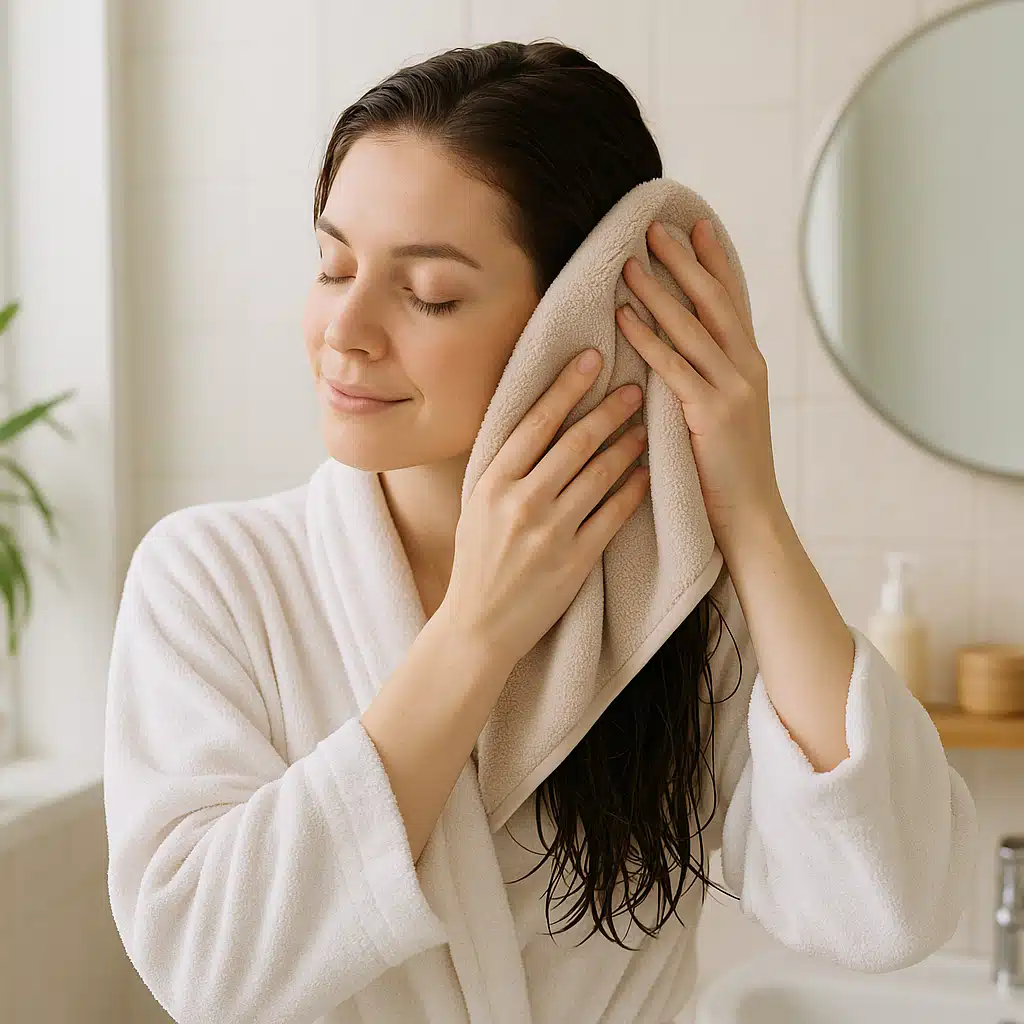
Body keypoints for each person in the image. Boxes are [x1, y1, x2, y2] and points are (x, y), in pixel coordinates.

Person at [104, 39, 977, 1024]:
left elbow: (890, 906)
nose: (344, 328)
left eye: (428, 292)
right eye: (331, 264)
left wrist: (753, 515)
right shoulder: (214, 578)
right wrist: (476, 629)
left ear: (578, 319)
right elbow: (204, 967)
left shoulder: (664, 598)